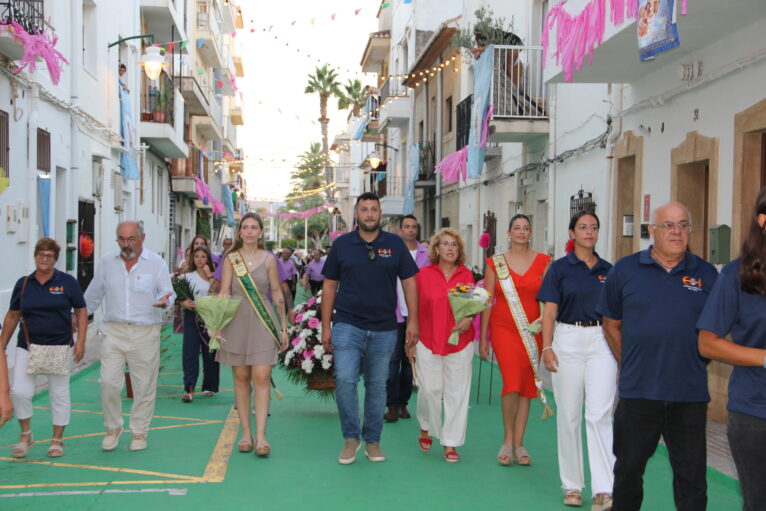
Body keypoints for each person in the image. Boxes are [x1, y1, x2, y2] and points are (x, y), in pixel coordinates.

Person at [597, 202, 718, 511]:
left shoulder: (706, 274)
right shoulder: (624, 270)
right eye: (668, 225)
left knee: (692, 479)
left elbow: (716, 332)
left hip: (688, 395)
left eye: (682, 225)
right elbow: (611, 323)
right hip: (639, 392)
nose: (676, 231)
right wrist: (631, 362)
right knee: (628, 473)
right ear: (652, 230)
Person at [321, 192, 420, 465]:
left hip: (385, 328)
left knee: (377, 386)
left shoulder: (395, 244)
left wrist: (413, 320)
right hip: (347, 324)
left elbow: (410, 282)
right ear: (356, 214)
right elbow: (329, 285)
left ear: (380, 214)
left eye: (373, 209)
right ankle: (351, 438)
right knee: (345, 379)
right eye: (364, 209)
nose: (369, 214)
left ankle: (373, 440)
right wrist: (325, 325)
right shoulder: (342, 245)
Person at [538, 211, 616, 509]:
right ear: (572, 233)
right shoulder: (559, 269)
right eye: (583, 227)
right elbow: (549, 312)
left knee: (599, 414)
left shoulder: (610, 270)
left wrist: (619, 353)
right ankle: (572, 486)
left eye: (594, 227)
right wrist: (546, 347)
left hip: (601, 341)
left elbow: (616, 314)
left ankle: (603, 488)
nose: (589, 231)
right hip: (567, 340)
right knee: (569, 416)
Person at [697, 187, 766, 511]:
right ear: (763, 220)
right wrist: (763, 358)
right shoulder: (737, 275)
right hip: (756, 413)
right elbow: (707, 342)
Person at [84, 221, 174, 452]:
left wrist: (165, 300)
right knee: (108, 383)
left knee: (143, 385)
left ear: (142, 238)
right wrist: (77, 318)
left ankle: (139, 432)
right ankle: (113, 428)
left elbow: (167, 291)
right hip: (113, 331)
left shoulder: (156, 263)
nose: (126, 244)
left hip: (145, 332)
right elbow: (92, 296)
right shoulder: (106, 262)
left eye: (131, 239)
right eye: (121, 239)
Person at [0, 238, 88, 457]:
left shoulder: (67, 282)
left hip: (59, 346)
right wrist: (1, 345)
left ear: (55, 259)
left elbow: (81, 310)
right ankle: (25, 434)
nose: (44, 259)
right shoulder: (24, 284)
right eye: (41, 254)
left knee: (59, 393)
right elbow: (13, 315)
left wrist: (81, 341)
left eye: (49, 256)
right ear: (35, 256)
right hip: (27, 346)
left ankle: (57, 439)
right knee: (20, 391)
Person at [480, 214, 550, 466]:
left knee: (526, 386)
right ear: (508, 233)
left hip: (533, 331)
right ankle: (507, 440)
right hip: (503, 328)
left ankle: (520, 442)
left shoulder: (544, 262)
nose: (521, 232)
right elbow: (488, 300)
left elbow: (550, 300)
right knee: (511, 381)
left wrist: (547, 328)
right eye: (516, 228)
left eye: (526, 228)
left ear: (531, 233)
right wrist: (483, 338)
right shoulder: (495, 263)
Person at [219, 213, 288, 457]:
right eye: (245, 227)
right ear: (239, 232)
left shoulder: (269, 259)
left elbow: (277, 293)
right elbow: (224, 292)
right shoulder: (230, 258)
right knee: (240, 378)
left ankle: (261, 436)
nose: (249, 231)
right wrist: (216, 320)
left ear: (261, 232)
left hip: (262, 320)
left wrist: (283, 325)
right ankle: (245, 434)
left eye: (254, 227)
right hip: (236, 320)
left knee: (261, 375)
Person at [414, 228, 476, 463]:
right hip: (428, 340)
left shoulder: (466, 275)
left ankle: (450, 442)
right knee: (430, 389)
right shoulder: (423, 274)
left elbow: (472, 307)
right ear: (436, 249)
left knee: (456, 393)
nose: (450, 248)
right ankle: (426, 424)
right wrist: (411, 339)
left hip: (459, 342)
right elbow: (415, 309)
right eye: (446, 244)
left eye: (455, 245)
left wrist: (468, 319)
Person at [385, 214, 429, 423]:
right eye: (407, 226)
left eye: (414, 226)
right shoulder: (391, 252)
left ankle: (403, 404)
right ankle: (391, 405)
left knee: (409, 360)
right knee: (392, 361)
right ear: (400, 229)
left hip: (416, 315)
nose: (410, 230)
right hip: (393, 315)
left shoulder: (426, 255)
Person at [180, 246, 220, 402]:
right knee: (190, 352)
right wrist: (184, 303)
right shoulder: (187, 276)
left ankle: (209, 385)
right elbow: (178, 297)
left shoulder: (215, 277)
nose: (200, 259)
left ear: (208, 259)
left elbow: (219, 293)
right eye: (197, 256)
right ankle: (189, 387)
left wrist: (210, 275)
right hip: (192, 316)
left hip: (210, 317)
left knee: (210, 352)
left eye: (203, 256)